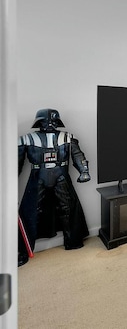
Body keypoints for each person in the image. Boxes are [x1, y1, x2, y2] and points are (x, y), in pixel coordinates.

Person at [18, 109, 90, 266]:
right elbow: (16, 164)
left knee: (68, 209)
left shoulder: (67, 137)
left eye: (52, 122)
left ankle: (73, 241)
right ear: (39, 122)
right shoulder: (27, 139)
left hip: (61, 176)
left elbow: (78, 156)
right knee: (30, 212)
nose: (49, 124)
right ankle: (22, 251)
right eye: (45, 122)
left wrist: (84, 171)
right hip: (38, 177)